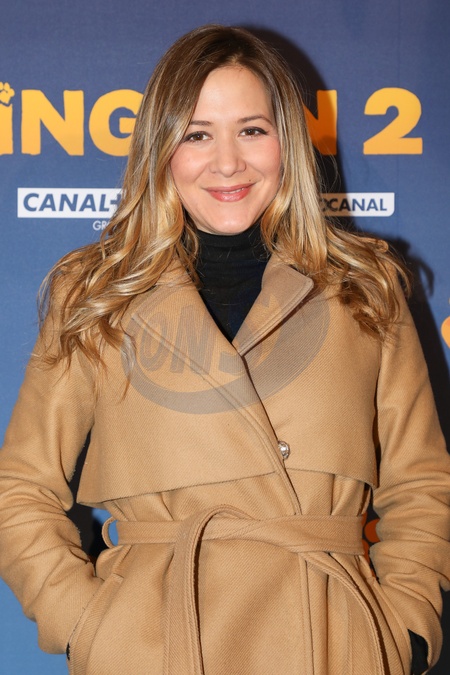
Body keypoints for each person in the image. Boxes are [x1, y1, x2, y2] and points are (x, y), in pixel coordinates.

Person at [0, 24, 449, 675]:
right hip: (155, 643)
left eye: (252, 129)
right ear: (161, 149)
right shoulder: (94, 293)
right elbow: (21, 488)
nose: (228, 161)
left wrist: (402, 627)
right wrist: (89, 627)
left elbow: (422, 483)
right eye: (197, 134)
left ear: (286, 141)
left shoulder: (365, 287)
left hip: (330, 638)